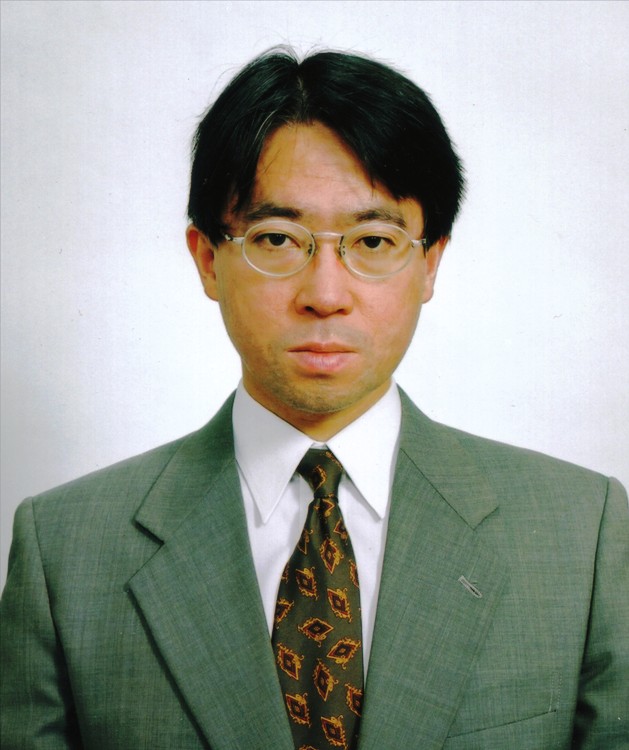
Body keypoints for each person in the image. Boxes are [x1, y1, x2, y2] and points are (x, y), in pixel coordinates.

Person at [1, 47, 627, 750]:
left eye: (373, 240)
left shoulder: (581, 534)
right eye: (276, 238)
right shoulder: (67, 550)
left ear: (429, 264)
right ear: (207, 259)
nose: (325, 295)